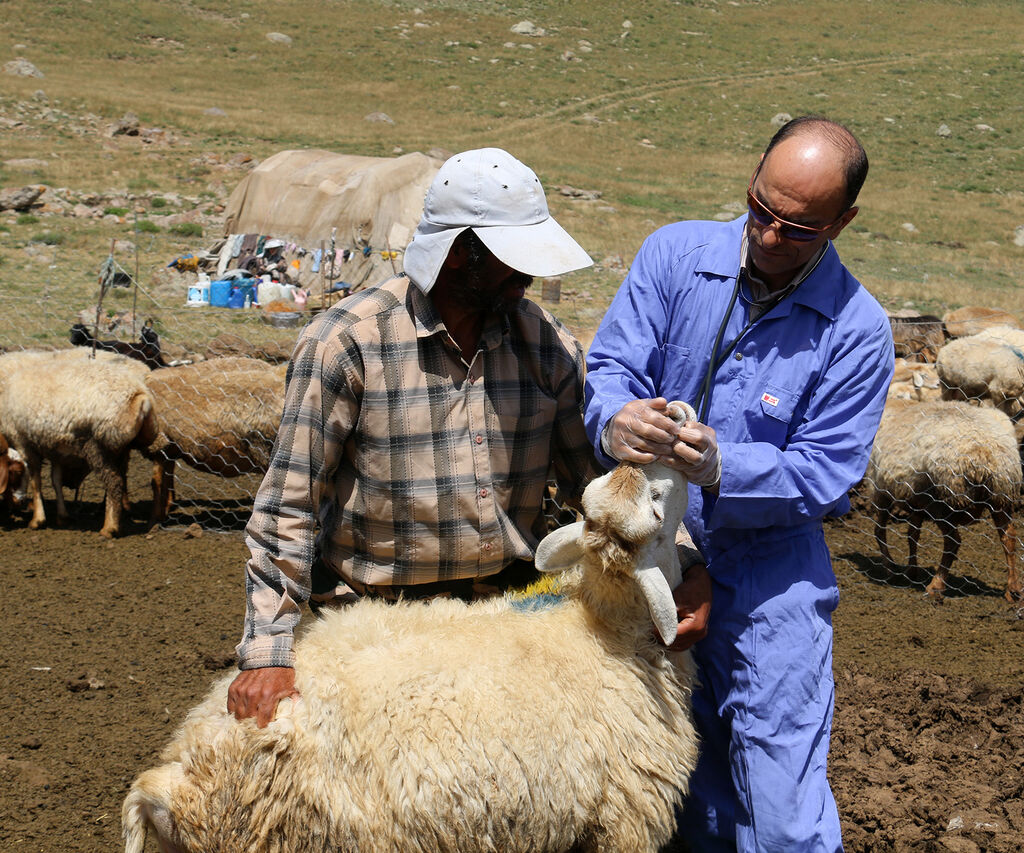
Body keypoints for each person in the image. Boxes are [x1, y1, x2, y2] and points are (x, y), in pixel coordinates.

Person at [584, 117, 895, 851]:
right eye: (761, 207)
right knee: (677, 784)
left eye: (796, 227)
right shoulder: (673, 256)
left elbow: (826, 473)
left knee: (781, 802)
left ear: (842, 222)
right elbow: (610, 370)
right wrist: (614, 421)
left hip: (771, 580)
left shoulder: (857, 330)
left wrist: (725, 465)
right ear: (753, 175)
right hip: (656, 555)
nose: (767, 234)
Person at [228, 148, 621, 726]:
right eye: (512, 257)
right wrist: (268, 653)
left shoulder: (546, 345)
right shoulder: (348, 343)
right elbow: (289, 504)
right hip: (378, 635)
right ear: (461, 252)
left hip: (509, 623)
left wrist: (674, 558)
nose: (530, 275)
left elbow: (596, 484)